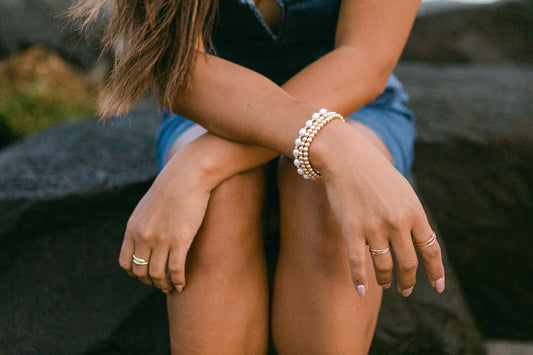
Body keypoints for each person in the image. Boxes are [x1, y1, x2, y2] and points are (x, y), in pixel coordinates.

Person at [74, 0, 445, 353]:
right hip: (214, 106)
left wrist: (199, 165)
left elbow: (364, 59)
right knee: (220, 201)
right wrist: (333, 145)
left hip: (351, 102)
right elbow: (172, 63)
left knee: (322, 193)